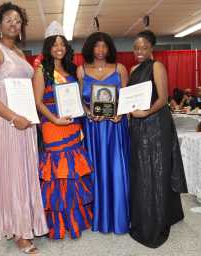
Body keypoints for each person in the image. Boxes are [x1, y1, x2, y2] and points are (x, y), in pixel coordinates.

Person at [0, 2, 48, 254]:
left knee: (21, 172)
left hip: (23, 120)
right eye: (8, 19)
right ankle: (19, 232)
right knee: (9, 172)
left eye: (18, 20)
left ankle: (19, 223)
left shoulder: (19, 52)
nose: (13, 23)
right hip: (4, 120)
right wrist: (12, 117)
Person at [32, 21, 93, 240]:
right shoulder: (41, 71)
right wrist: (55, 120)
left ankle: (75, 219)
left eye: (62, 44)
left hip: (72, 126)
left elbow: (77, 99)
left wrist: (88, 111)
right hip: (53, 127)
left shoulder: (70, 71)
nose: (59, 48)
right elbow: (38, 102)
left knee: (73, 173)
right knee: (57, 174)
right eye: (55, 44)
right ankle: (57, 222)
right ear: (48, 47)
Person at [127, 30, 188, 248]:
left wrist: (146, 113)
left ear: (151, 48)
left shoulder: (157, 67)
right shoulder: (133, 69)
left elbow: (163, 99)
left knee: (158, 169)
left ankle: (159, 217)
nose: (139, 51)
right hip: (138, 125)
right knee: (142, 169)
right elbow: (129, 100)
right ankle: (154, 212)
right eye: (136, 48)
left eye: (144, 47)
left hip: (156, 123)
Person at [77, 32, 131, 234]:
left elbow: (126, 97)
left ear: (109, 49)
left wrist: (121, 113)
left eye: (104, 46)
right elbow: (79, 100)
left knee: (116, 168)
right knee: (95, 168)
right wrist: (88, 113)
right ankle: (97, 216)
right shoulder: (81, 71)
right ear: (90, 48)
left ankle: (118, 216)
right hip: (93, 128)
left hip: (115, 127)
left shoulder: (120, 69)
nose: (100, 50)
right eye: (96, 46)